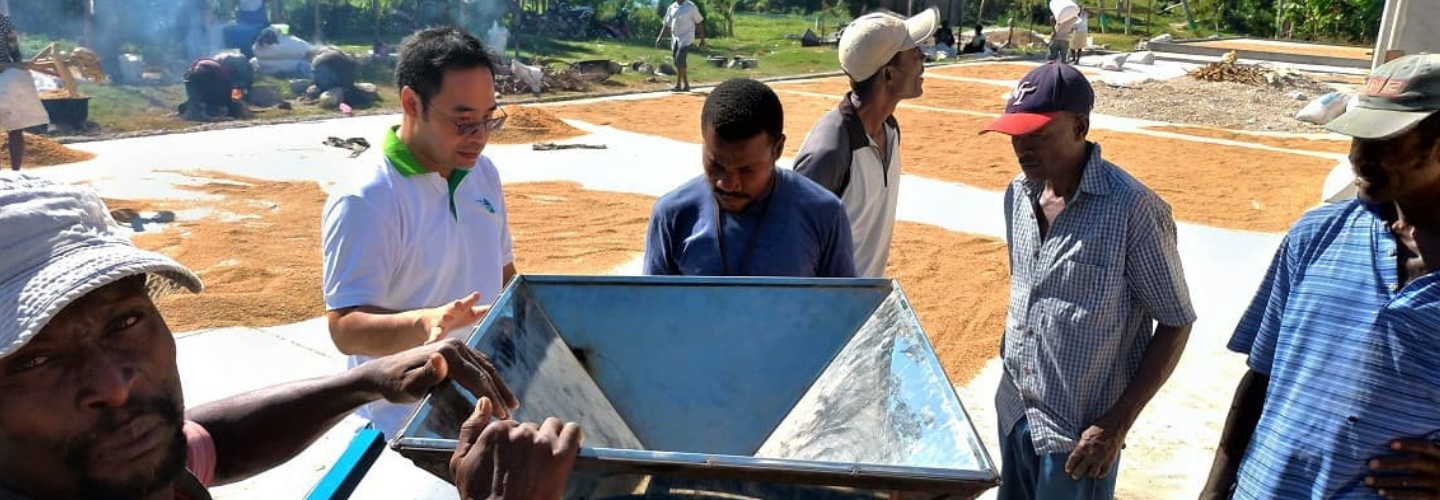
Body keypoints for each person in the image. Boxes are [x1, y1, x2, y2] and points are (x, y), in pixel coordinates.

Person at [0, 173, 581, 500]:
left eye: (124, 322)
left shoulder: (121, 468)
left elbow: (204, 444)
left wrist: (363, 382)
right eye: (34, 359)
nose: (114, 385)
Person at [1200, 54, 1440, 500]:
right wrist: (1215, 491)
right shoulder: (1317, 235)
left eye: (1384, 140)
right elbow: (1261, 377)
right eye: (1356, 136)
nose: (1358, 157)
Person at [980, 62, 1196, 500]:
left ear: (1080, 126)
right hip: (1015, 413)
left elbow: (1176, 322)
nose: (1022, 148)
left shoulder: (1132, 209)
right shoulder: (1018, 197)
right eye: (1015, 135)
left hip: (1077, 440)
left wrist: (1114, 426)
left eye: (1037, 134)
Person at [322, 27, 518, 439]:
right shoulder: (369, 197)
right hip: (405, 420)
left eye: (488, 119)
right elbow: (346, 327)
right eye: (464, 121)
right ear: (412, 103)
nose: (479, 137)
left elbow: (503, 275)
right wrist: (424, 324)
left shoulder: (481, 172)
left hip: (480, 403)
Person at [644, 78, 856, 277]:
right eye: (716, 165)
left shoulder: (824, 215)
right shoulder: (672, 215)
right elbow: (654, 308)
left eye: (746, 169)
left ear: (778, 149)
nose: (727, 183)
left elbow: (842, 308)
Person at [793, 8, 936, 278]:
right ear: (888, 75)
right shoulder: (829, 151)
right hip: (829, 312)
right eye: (914, 52)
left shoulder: (890, 130)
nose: (922, 58)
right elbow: (791, 244)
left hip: (860, 304)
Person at [0, 13, 45, 172]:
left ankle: (15, 173)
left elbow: (14, 49)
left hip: (6, 76)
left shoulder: (3, 21)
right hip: (5, 73)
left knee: (16, 126)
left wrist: (19, 65)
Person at [656, 0, 705, 92]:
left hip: (687, 37)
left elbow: (699, 23)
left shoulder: (690, 6)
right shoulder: (672, 7)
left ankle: (680, 85)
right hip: (675, 37)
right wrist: (660, 38)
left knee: (679, 59)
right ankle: (684, 85)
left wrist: (702, 39)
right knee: (677, 61)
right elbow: (666, 25)